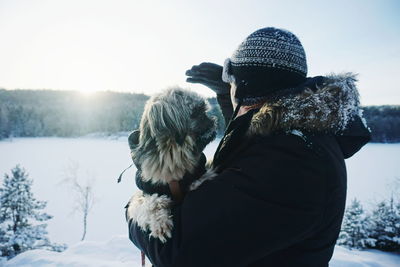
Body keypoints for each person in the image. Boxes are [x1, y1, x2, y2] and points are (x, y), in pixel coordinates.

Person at [125, 27, 371, 267]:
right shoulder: (295, 138)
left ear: (244, 87)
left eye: (231, 81)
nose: (230, 88)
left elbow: (177, 251)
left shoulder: (292, 159)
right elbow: (254, 136)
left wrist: (146, 194)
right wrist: (228, 95)